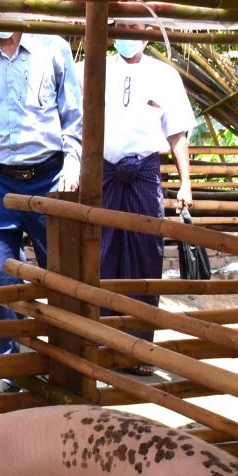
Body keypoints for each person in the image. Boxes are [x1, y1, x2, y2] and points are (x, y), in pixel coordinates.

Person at [0, 27, 81, 364]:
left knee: (61, 271)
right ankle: (6, 364)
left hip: (49, 178)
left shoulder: (53, 48)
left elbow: (74, 117)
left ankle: (66, 359)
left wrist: (73, 166)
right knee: (0, 275)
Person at [99, 30, 194, 359]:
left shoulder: (164, 75)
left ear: (148, 34)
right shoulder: (95, 69)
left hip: (144, 174)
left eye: (136, 27)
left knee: (145, 254)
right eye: (124, 26)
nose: (130, 34)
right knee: (102, 254)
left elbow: (177, 132)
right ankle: (103, 343)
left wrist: (185, 182)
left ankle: (139, 349)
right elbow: (79, 125)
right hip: (104, 173)